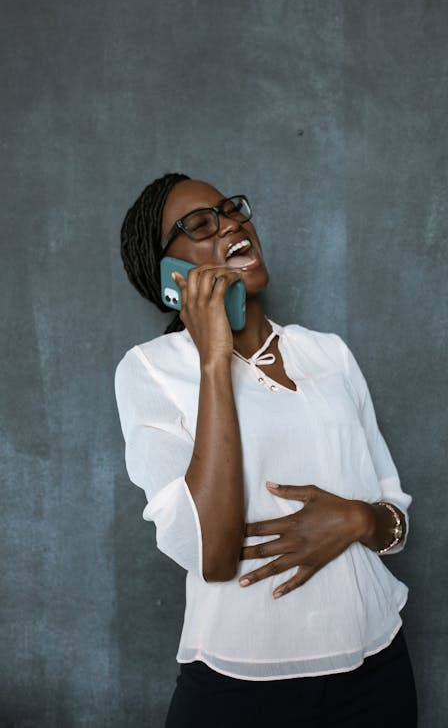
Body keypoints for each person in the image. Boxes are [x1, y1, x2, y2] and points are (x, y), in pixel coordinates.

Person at [115, 172, 418, 728]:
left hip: (378, 665)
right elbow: (214, 552)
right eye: (201, 223)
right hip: (243, 683)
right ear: (169, 275)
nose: (232, 222)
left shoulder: (329, 354)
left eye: (231, 209)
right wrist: (213, 358)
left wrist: (356, 518)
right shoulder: (150, 372)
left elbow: (393, 516)